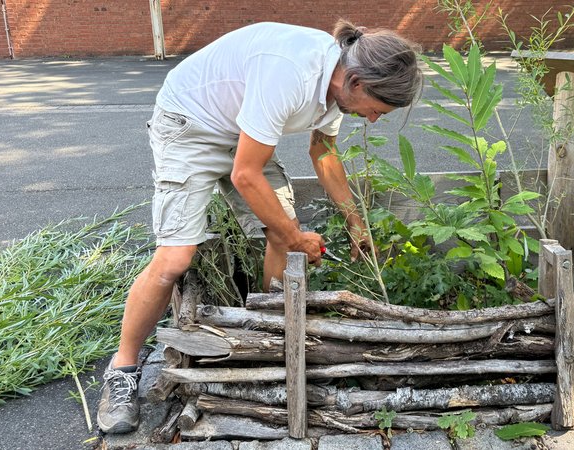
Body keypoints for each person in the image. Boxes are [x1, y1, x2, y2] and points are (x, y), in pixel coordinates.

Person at [96, 19, 423, 434]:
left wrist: (355, 221)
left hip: (243, 132)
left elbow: (322, 151)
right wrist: (294, 234)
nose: (373, 120)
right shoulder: (291, 72)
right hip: (189, 126)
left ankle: (264, 336)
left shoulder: (338, 89)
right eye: (376, 110)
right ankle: (122, 370)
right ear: (356, 81)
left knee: (281, 236)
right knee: (175, 259)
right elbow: (245, 175)